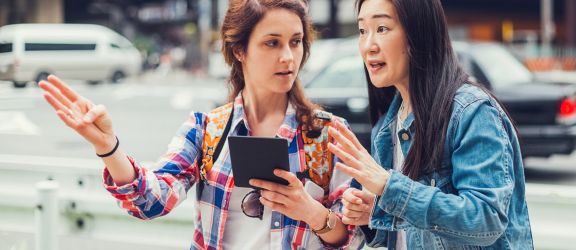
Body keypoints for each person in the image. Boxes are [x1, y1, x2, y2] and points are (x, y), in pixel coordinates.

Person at [38, 0, 363, 249]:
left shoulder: (327, 133)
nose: (289, 57)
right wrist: (108, 146)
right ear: (239, 51)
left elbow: (353, 235)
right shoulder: (207, 129)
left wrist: (312, 213)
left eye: (295, 42)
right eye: (272, 43)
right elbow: (152, 200)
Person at [328, 0, 534, 249]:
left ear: (418, 32)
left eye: (382, 28)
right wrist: (372, 213)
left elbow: (485, 219)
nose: (368, 45)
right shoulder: (387, 125)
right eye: (362, 31)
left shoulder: (471, 112)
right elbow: (410, 233)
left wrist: (388, 186)